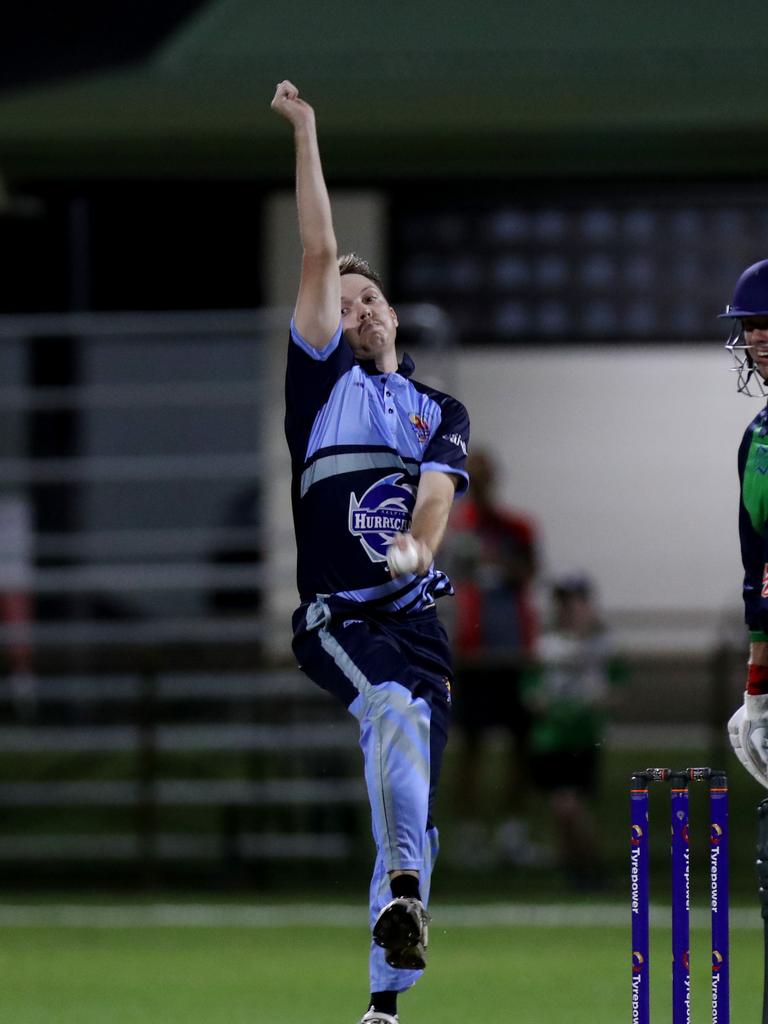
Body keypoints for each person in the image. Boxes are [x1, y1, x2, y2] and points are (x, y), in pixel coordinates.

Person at [271, 81, 470, 1024]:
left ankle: (385, 1010)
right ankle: (399, 887)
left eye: (370, 294)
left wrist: (415, 549)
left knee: (415, 794)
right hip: (338, 618)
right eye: (344, 302)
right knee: (387, 709)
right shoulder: (319, 392)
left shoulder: (439, 412)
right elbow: (317, 247)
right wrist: (308, 132)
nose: (359, 308)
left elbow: (434, 499)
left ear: (392, 310)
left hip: (414, 618)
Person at [445, 448, 540, 865]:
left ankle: (512, 832)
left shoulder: (515, 527)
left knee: (520, 742)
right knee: (472, 743)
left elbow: (529, 572)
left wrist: (497, 562)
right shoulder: (453, 529)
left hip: (511, 649)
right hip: (472, 652)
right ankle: (468, 834)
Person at [522, 575, 623, 886]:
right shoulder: (546, 644)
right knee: (562, 806)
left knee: (571, 804)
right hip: (553, 736)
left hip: (583, 735)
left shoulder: (602, 644)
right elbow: (530, 689)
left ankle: (586, 866)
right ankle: (575, 869)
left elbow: (616, 687)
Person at [723, 259, 768, 789]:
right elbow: (756, 563)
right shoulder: (756, 434)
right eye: (750, 324)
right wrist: (757, 689)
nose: (757, 336)